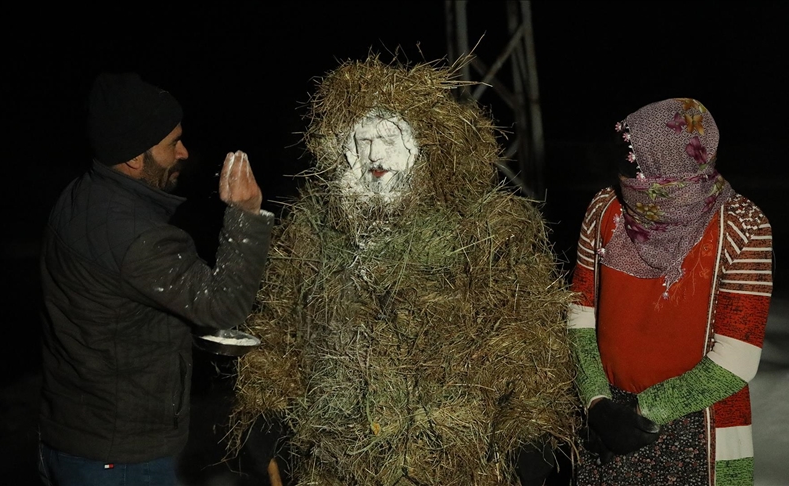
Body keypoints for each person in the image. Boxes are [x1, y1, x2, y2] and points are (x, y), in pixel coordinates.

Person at [228, 55, 580, 486]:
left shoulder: (487, 228)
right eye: (362, 140)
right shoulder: (310, 231)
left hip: (457, 463)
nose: (374, 154)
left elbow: (527, 336)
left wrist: (531, 432)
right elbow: (277, 327)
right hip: (339, 462)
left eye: (389, 137)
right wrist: (266, 413)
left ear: (424, 145)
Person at [37, 72, 274, 486]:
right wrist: (246, 216)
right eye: (171, 144)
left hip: (68, 436)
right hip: (120, 460)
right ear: (133, 158)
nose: (183, 152)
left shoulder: (79, 195)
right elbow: (225, 305)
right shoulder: (138, 236)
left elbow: (117, 302)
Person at [566, 97, 773, 485]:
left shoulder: (742, 226)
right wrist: (597, 404)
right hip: (606, 420)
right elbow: (580, 313)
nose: (624, 167)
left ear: (669, 160)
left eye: (635, 157)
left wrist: (641, 414)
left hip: (694, 425)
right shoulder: (604, 210)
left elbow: (738, 357)